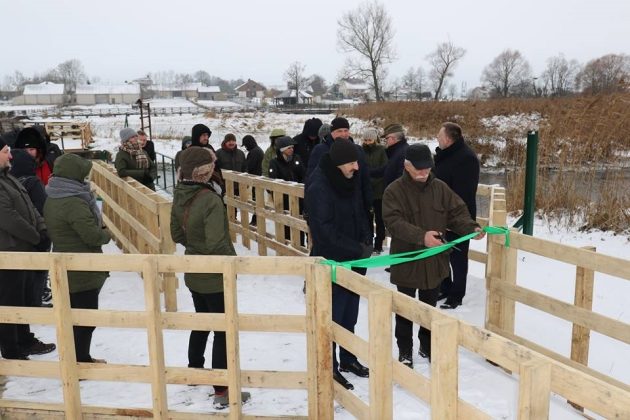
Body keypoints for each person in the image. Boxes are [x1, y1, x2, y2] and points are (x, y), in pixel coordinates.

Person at [382, 144, 484, 368]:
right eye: (418, 169)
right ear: (406, 166)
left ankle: (426, 345)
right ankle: (405, 351)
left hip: (435, 263)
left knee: (429, 309)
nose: (423, 173)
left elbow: (457, 212)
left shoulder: (440, 188)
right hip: (407, 261)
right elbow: (394, 222)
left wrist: (470, 228)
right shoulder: (393, 191)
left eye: (427, 168)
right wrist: (421, 237)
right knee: (405, 311)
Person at [170, 146, 250, 409]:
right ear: (205, 172)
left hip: (194, 271)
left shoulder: (180, 193)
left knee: (202, 322)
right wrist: (231, 258)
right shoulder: (210, 199)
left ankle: (195, 371)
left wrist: (196, 247)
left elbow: (177, 235)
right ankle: (222, 389)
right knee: (223, 330)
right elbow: (216, 242)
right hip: (215, 275)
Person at [306, 139, 373, 391]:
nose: (357, 167)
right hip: (332, 262)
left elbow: (360, 211)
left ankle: (348, 358)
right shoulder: (319, 186)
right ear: (338, 164)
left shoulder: (349, 179)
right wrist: (356, 248)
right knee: (332, 315)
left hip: (355, 259)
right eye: (352, 162)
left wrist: (368, 238)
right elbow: (323, 231)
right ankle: (329, 365)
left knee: (349, 314)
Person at [44, 153, 111, 364]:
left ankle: (76, 358)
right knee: (85, 319)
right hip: (82, 269)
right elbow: (92, 235)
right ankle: (79, 361)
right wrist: (106, 233)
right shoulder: (73, 202)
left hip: (68, 266)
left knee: (74, 318)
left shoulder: (54, 196)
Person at [0, 138, 56, 360]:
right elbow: (8, 217)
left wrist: (42, 228)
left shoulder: (8, 179)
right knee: (8, 301)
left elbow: (29, 208)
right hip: (8, 252)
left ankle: (24, 339)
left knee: (21, 299)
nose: (10, 156)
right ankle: (11, 348)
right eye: (5, 152)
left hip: (21, 251)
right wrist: (34, 236)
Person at [433, 122, 481, 309]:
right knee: (441, 253)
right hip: (440, 214)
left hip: (458, 216)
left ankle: (457, 295)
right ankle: (445, 287)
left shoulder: (466, 158)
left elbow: (463, 194)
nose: (437, 138)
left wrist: (455, 219)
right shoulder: (444, 155)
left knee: (458, 258)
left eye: (439, 135)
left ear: (447, 138)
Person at [305, 117, 372, 218]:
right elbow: (311, 180)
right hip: (331, 206)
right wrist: (308, 208)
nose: (343, 134)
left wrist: (368, 203)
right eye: (339, 131)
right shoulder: (321, 150)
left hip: (355, 204)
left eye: (346, 130)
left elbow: (365, 179)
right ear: (331, 132)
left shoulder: (357, 150)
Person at [9, 149, 50, 308]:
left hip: (17, 238)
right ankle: (35, 303)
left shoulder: (10, 183)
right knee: (39, 271)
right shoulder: (33, 183)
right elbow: (41, 209)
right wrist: (42, 235)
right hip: (35, 235)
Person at [361, 128, 388, 253]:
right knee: (367, 219)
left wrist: (373, 180)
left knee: (380, 219)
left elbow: (384, 168)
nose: (368, 142)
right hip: (366, 191)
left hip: (379, 191)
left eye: (370, 139)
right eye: (365, 140)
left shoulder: (382, 150)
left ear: (375, 139)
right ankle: (368, 243)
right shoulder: (361, 151)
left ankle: (378, 245)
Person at [369, 123, 409, 188]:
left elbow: (402, 180)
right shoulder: (396, 151)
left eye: (386, 138)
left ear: (393, 138)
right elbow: (385, 169)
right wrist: (366, 171)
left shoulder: (403, 153)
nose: (385, 141)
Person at [190, 124, 225, 195]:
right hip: (197, 190)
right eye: (203, 135)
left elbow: (217, 167)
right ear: (197, 136)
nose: (206, 138)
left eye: (207, 135)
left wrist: (221, 183)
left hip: (214, 187)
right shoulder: (190, 152)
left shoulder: (210, 148)